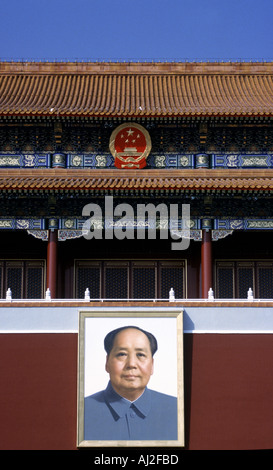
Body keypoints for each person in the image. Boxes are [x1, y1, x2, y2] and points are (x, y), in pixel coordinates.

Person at [84, 325, 177, 441]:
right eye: (122, 354)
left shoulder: (177, 409)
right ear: (107, 363)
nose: (131, 364)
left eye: (141, 355)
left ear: (152, 365)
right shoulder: (81, 411)